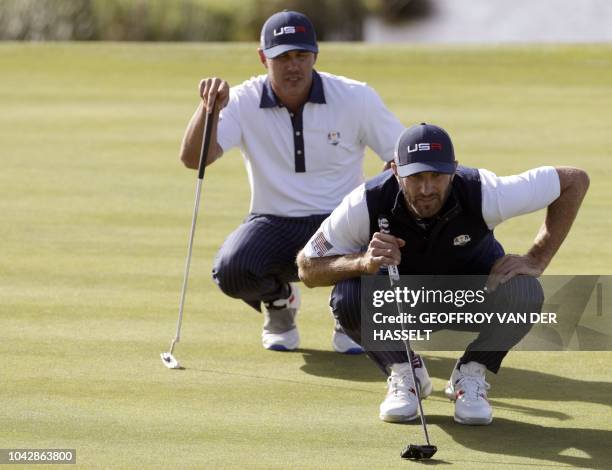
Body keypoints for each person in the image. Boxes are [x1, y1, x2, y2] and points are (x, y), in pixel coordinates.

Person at [297, 123, 589, 424]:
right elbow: (307, 267)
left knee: (525, 292)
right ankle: (404, 372)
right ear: (396, 171)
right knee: (347, 297)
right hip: (401, 305)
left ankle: (471, 375)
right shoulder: (366, 202)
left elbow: (573, 181)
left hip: (470, 300)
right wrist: (361, 262)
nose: (426, 189)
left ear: (454, 170)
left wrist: (537, 258)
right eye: (416, 177)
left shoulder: (485, 192)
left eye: (436, 176)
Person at [179, 10, 405, 353]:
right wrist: (207, 109)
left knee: (368, 262)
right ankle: (280, 301)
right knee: (232, 270)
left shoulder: (355, 97)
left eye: (301, 55)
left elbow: (401, 160)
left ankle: (349, 315)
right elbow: (194, 158)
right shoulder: (242, 100)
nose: (293, 65)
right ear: (262, 58)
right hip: (273, 221)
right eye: (282, 57)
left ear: (315, 54)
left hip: (341, 222)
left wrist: (378, 204)